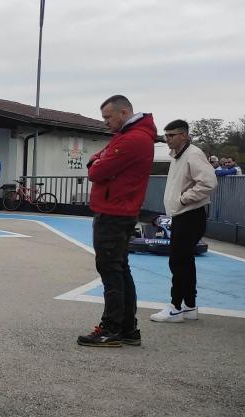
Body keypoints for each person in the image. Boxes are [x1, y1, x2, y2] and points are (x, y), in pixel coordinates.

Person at [78, 95, 154, 347]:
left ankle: (111, 328)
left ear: (124, 113)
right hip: (121, 210)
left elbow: (97, 170)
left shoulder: (132, 139)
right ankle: (128, 328)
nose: (105, 122)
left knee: (111, 270)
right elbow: (98, 157)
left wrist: (98, 162)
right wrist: (100, 159)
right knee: (120, 268)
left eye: (108, 117)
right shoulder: (130, 136)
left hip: (114, 212)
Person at [150, 119, 218, 323]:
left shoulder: (193, 154)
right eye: (166, 135)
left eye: (171, 135)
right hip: (184, 215)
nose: (167, 139)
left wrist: (183, 199)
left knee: (178, 261)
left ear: (184, 136)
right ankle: (189, 306)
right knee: (185, 261)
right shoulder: (178, 156)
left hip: (190, 215)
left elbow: (209, 182)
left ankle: (175, 308)